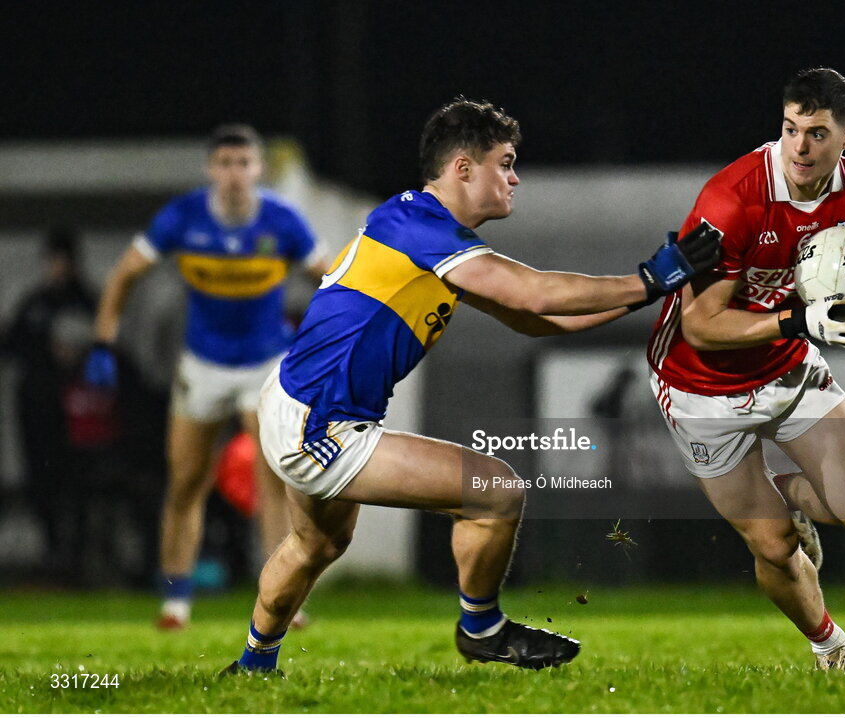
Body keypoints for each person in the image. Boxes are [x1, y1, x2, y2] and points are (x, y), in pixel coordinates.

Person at [221, 97, 722, 674]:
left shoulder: (426, 233)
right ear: (462, 168)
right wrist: (648, 276)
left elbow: (539, 320)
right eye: (504, 163)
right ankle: (482, 629)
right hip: (320, 421)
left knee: (317, 545)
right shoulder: (422, 226)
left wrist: (652, 289)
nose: (514, 178)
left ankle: (252, 665)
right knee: (495, 491)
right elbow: (535, 293)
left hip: (302, 403)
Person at [646, 68, 845, 671]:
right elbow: (700, 327)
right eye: (791, 128)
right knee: (774, 546)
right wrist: (802, 320)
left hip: (787, 367)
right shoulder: (733, 196)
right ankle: (831, 646)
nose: (799, 146)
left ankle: (787, 495)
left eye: (817, 133)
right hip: (699, 386)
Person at [83, 124, 332, 629]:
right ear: (211, 169)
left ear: (259, 169)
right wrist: (103, 341)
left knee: (273, 480)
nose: (235, 174)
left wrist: (328, 344)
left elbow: (334, 281)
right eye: (225, 164)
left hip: (263, 365)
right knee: (186, 481)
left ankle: (285, 599)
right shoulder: (184, 217)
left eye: (244, 164)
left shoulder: (283, 222)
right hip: (201, 364)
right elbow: (124, 274)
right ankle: (176, 599)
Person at [1, 228, 97, 576]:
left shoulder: (87, 302)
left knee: (78, 485)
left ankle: (77, 557)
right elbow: (12, 348)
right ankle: (54, 553)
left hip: (79, 418)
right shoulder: (35, 303)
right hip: (37, 412)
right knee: (42, 484)